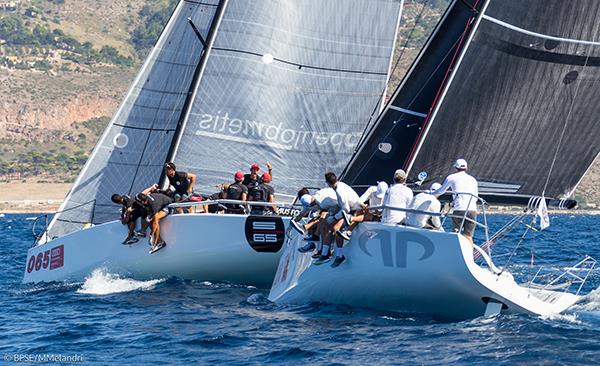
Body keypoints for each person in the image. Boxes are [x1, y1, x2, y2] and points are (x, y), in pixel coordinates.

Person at [432, 158, 479, 250]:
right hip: (472, 210)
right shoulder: (473, 179)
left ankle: (456, 254)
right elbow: (476, 196)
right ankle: (470, 257)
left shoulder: (451, 177)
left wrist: (430, 195)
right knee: (468, 236)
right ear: (466, 168)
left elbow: (441, 190)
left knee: (456, 234)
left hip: (460, 209)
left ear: (455, 168)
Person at [316, 172, 361, 267]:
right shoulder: (340, 185)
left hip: (354, 211)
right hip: (347, 210)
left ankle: (339, 255)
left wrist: (334, 218)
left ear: (327, 183)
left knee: (336, 229)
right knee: (327, 225)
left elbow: (346, 209)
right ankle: (324, 253)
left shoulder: (340, 191)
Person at [291, 187, 339, 257]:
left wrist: (317, 214)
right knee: (312, 221)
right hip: (328, 211)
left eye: (312, 205)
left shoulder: (321, 201)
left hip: (335, 209)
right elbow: (301, 214)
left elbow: (325, 210)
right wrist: (291, 225)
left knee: (322, 222)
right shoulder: (309, 202)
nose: (311, 206)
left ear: (313, 200)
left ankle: (323, 251)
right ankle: (312, 244)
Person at [136, 186, 174, 253]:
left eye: (138, 202)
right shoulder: (145, 198)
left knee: (154, 220)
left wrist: (151, 235)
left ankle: (158, 242)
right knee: (149, 219)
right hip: (160, 205)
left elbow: (155, 222)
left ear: (142, 202)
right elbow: (142, 194)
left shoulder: (154, 204)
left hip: (168, 206)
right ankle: (158, 240)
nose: (137, 203)